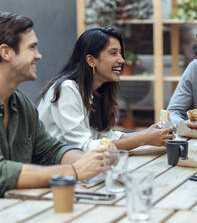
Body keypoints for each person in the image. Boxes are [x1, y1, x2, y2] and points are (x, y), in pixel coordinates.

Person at [0, 12, 108, 197]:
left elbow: (51, 150)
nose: (39, 56)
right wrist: (74, 171)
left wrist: (90, 162)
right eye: (32, 48)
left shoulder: (21, 105)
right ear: (6, 52)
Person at [38, 27, 175, 151]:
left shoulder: (96, 90)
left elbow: (105, 137)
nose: (121, 60)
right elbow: (83, 147)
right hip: (55, 172)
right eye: (113, 53)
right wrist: (144, 139)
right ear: (91, 60)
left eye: (121, 53)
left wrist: (147, 133)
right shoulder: (67, 89)